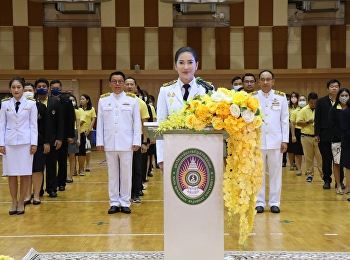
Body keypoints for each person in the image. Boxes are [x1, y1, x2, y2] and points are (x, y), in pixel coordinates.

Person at [156, 46, 212, 173]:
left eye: (190, 62)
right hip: (173, 150)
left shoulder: (207, 90)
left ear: (197, 65)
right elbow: (161, 124)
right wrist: (161, 157)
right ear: (175, 66)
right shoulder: (165, 91)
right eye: (181, 63)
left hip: (202, 151)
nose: (186, 67)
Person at [96, 71, 141, 214]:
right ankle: (114, 202)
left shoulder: (133, 100)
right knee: (112, 174)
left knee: (126, 174)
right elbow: (100, 123)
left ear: (123, 83)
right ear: (110, 83)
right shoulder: (103, 101)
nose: (117, 84)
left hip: (127, 143)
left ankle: (125, 202)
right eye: (114, 81)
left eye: (120, 81)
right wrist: (99, 141)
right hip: (110, 142)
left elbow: (137, 123)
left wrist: (137, 141)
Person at [252, 70, 289, 214]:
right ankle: (259, 202)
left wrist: (285, 140)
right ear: (259, 81)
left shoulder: (281, 97)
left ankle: (275, 202)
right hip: (258, 141)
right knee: (258, 173)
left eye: (268, 79)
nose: (265, 82)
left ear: (273, 81)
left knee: (275, 173)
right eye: (263, 79)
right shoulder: (253, 97)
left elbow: (285, 120)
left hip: (276, 141)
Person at [0, 76, 38, 215]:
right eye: (13, 87)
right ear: (10, 89)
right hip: (9, 143)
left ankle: (22, 201)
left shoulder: (31, 104)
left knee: (25, 174)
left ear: (23, 88)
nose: (16, 90)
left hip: (25, 143)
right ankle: (13, 201)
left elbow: (34, 125)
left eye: (19, 87)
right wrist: (1, 143)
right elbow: (2, 125)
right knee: (11, 174)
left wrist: (34, 143)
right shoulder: (5, 104)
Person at [35, 78, 64, 198]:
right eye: (39, 86)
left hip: (52, 140)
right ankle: (38, 189)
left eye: (44, 86)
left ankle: (51, 188)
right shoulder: (32, 103)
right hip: (37, 140)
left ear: (48, 89)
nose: (42, 88)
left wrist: (60, 138)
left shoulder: (55, 103)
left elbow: (60, 122)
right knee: (38, 166)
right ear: (36, 89)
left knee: (51, 165)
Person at [23, 82, 50, 206]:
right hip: (22, 143)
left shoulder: (40, 107)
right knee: (26, 171)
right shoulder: (18, 106)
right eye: (25, 90)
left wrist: (46, 142)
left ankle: (37, 195)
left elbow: (46, 126)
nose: (27, 92)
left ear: (34, 91)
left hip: (38, 143)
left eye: (30, 90)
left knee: (37, 170)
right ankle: (27, 195)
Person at [124, 77, 149, 203]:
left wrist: (144, 142)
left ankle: (135, 192)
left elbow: (145, 124)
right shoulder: (119, 101)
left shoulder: (141, 103)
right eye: (127, 84)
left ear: (135, 87)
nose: (129, 86)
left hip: (136, 138)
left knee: (136, 167)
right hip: (122, 138)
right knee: (122, 167)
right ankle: (123, 193)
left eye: (131, 84)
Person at [314, 79, 341, 189]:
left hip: (339, 135)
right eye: (332, 86)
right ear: (327, 89)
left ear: (339, 88)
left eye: (336, 86)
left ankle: (339, 182)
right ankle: (327, 180)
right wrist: (317, 134)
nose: (334, 88)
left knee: (339, 160)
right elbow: (317, 119)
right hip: (325, 135)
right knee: (326, 159)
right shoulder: (321, 102)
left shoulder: (343, 101)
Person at [50, 80, 75, 191]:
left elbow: (71, 119)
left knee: (62, 161)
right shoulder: (47, 101)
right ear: (50, 89)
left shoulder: (67, 102)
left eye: (58, 88)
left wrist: (70, 135)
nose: (56, 89)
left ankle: (61, 183)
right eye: (53, 87)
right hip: (50, 136)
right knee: (51, 162)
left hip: (64, 135)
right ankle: (52, 183)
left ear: (61, 89)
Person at [296, 92, 323, 182]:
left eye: (315, 102)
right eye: (311, 102)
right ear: (308, 101)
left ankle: (323, 176)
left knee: (321, 158)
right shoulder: (303, 110)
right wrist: (308, 122)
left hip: (318, 137)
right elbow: (298, 122)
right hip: (306, 137)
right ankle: (309, 174)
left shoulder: (320, 109)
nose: (313, 104)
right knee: (308, 158)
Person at [329, 88, 350, 195]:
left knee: (348, 165)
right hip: (337, 140)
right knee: (337, 163)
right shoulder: (333, 109)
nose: (344, 97)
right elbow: (332, 125)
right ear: (338, 97)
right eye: (342, 95)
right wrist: (341, 136)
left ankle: (348, 187)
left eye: (346, 95)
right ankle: (338, 185)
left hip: (348, 141)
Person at [67, 94, 83, 183]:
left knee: (72, 156)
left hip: (74, 132)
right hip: (64, 133)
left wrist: (79, 138)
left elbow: (78, 125)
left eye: (73, 100)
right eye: (70, 100)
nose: (72, 102)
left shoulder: (76, 111)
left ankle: (70, 176)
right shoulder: (63, 110)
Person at [290, 95, 307, 176]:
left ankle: (308, 170)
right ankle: (299, 169)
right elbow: (292, 124)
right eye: (300, 100)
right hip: (298, 132)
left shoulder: (309, 110)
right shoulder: (294, 112)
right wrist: (293, 136)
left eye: (303, 100)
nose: (302, 101)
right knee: (298, 153)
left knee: (308, 153)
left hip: (307, 132)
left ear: (306, 101)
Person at [79, 94, 96, 173]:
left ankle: (87, 165)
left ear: (87, 100)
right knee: (81, 149)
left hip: (89, 131)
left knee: (88, 149)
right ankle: (80, 166)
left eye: (83, 99)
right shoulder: (79, 109)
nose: (81, 100)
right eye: (80, 99)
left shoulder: (92, 109)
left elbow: (93, 120)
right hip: (80, 131)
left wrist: (89, 130)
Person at [340, 99, 350, 201]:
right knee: (349, 167)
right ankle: (349, 191)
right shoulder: (345, 112)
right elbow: (345, 129)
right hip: (348, 144)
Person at [287, 92, 300, 170]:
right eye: (292, 97)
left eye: (295, 97)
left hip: (298, 129)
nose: (293, 98)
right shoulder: (287, 107)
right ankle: (291, 164)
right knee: (290, 148)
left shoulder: (301, 108)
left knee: (298, 149)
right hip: (288, 129)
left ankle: (298, 165)